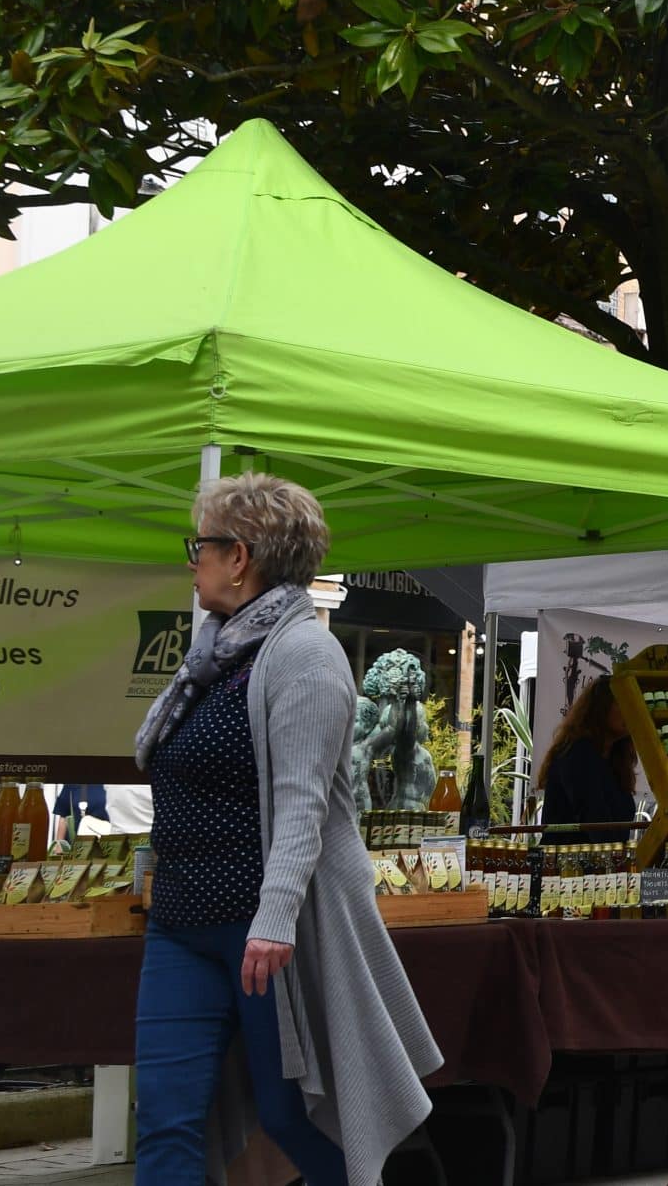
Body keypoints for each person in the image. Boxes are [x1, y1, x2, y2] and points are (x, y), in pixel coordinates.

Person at [135, 474, 440, 1186]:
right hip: (180, 922)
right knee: (166, 1119)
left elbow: (303, 805)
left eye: (201, 546)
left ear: (240, 556)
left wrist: (273, 923)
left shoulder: (305, 653)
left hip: (263, 932)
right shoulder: (211, 656)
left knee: (288, 1113)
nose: (193, 560)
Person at [536, 675, 638, 840]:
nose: (629, 711)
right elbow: (594, 816)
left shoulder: (615, 759)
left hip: (603, 860)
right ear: (601, 708)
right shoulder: (577, 752)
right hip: (567, 862)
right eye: (621, 703)